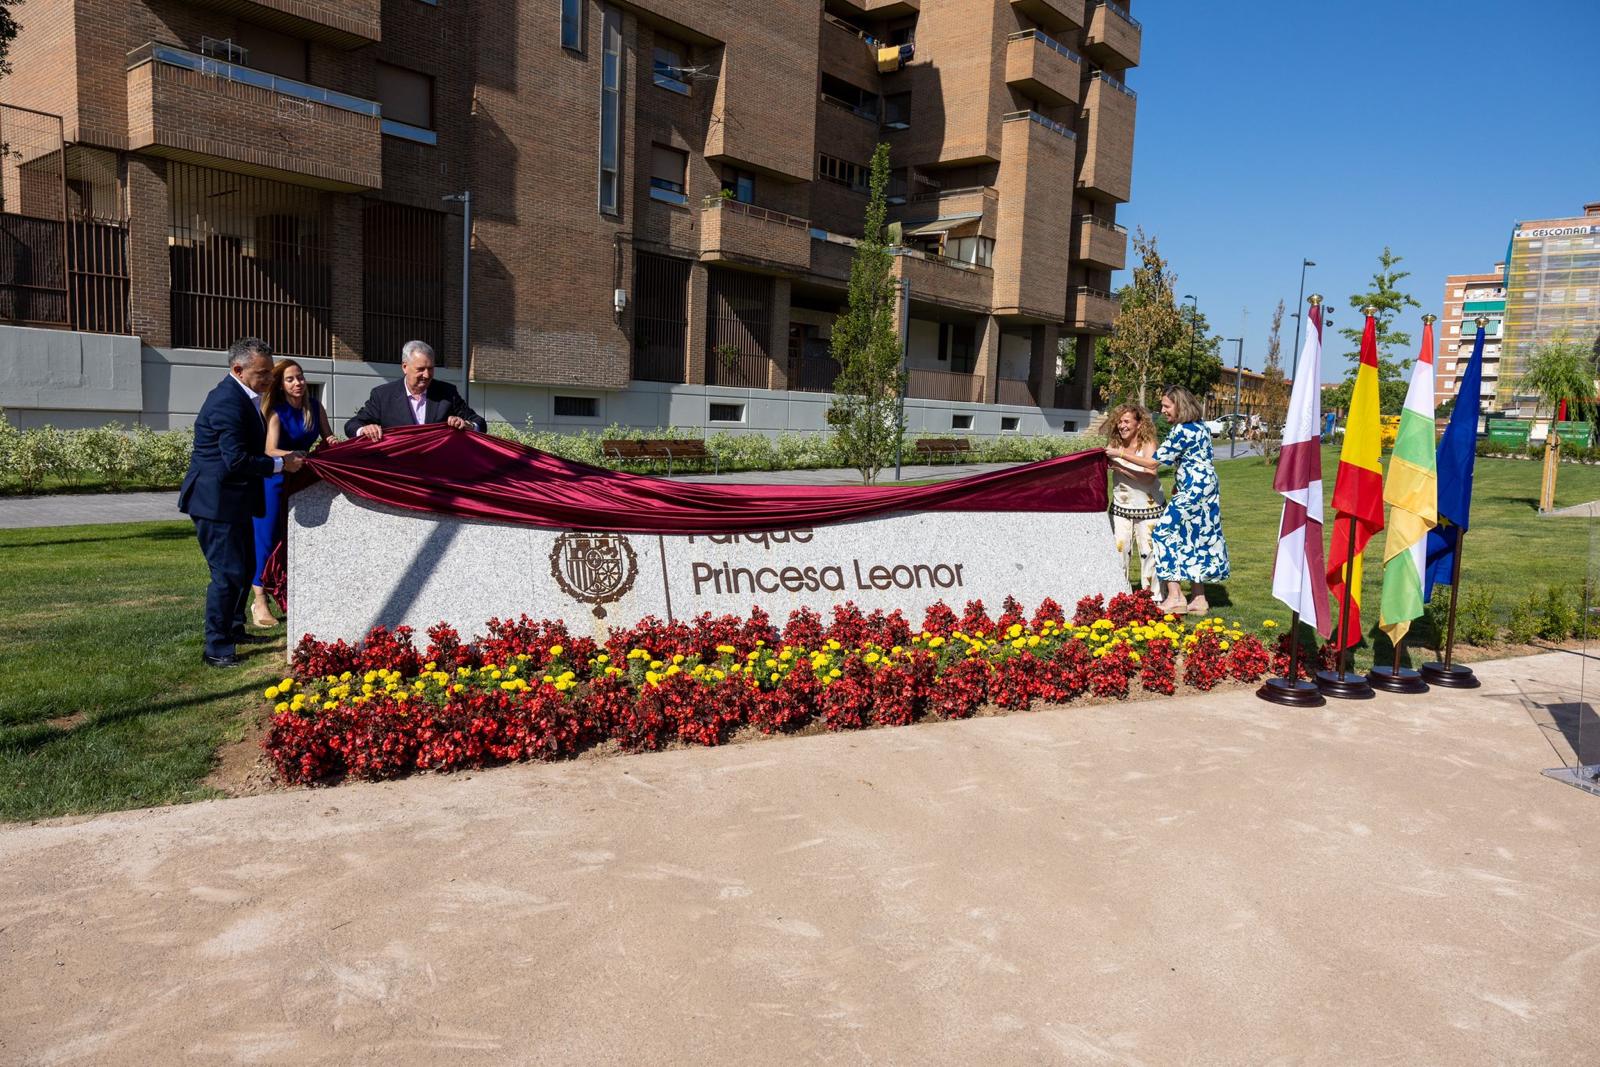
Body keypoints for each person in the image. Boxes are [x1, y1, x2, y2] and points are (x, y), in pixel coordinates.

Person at [178, 338, 307, 667]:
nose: (269, 379)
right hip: (215, 502)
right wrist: (282, 463)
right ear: (238, 369)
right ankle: (216, 647)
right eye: (263, 373)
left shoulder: (247, 397)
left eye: (270, 373)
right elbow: (235, 460)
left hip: (236, 499)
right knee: (227, 573)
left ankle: (234, 628)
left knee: (246, 567)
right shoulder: (226, 401)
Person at [1108, 385, 1230, 616]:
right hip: (1207, 488)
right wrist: (1181, 481)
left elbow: (1154, 463)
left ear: (1179, 405)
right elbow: (1198, 459)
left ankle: (1175, 597)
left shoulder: (1181, 430)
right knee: (1195, 536)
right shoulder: (1201, 427)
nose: (1162, 410)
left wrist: (1119, 455)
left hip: (1194, 490)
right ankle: (1200, 599)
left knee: (1162, 533)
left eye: (1166, 405)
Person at [249, 358, 333, 627]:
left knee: (293, 538)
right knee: (267, 537)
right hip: (273, 481)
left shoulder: (315, 408)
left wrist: (336, 443)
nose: (298, 383)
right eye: (290, 379)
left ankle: (285, 591)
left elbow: (327, 439)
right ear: (280, 385)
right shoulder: (275, 412)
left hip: (302, 480)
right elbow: (269, 450)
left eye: (300, 377)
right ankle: (259, 601)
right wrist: (295, 455)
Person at [344, 339, 485, 440]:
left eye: (430, 369)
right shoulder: (382, 396)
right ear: (405, 367)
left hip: (437, 472)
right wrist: (365, 430)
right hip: (400, 473)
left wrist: (468, 425)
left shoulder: (447, 393)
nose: (427, 375)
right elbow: (352, 425)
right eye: (421, 369)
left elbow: (479, 423)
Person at [1100, 402, 1165, 595]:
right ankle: (1119, 595)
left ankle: (1153, 599)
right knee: (1119, 551)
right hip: (1121, 508)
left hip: (1149, 508)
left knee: (1150, 553)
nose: (1122, 426)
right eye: (1119, 422)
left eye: (1126, 421)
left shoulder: (1148, 444)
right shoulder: (1114, 444)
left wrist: (1121, 466)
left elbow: (1149, 475)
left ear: (1139, 424)